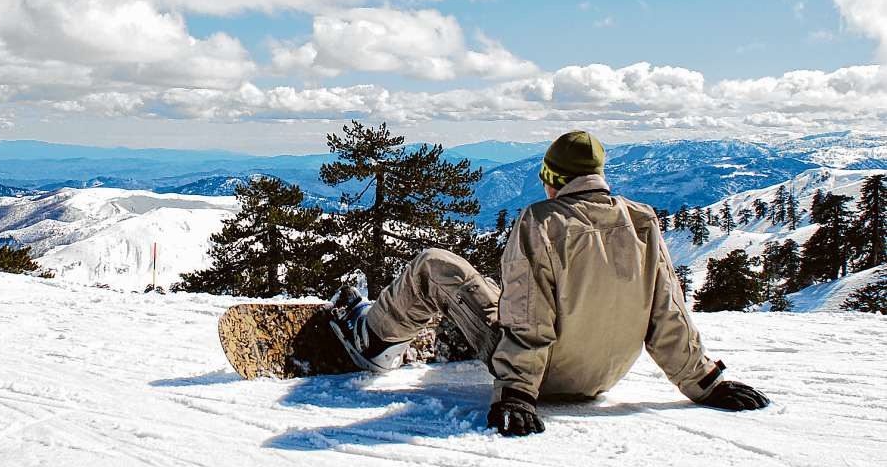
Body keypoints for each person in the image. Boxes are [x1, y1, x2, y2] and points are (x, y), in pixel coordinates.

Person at [329, 130, 770, 437]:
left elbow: (529, 317)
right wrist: (705, 382)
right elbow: (666, 311)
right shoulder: (640, 220)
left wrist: (517, 393)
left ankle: (371, 338)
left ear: (554, 178)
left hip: (542, 380)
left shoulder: (541, 222)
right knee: (492, 290)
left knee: (435, 264)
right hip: (602, 377)